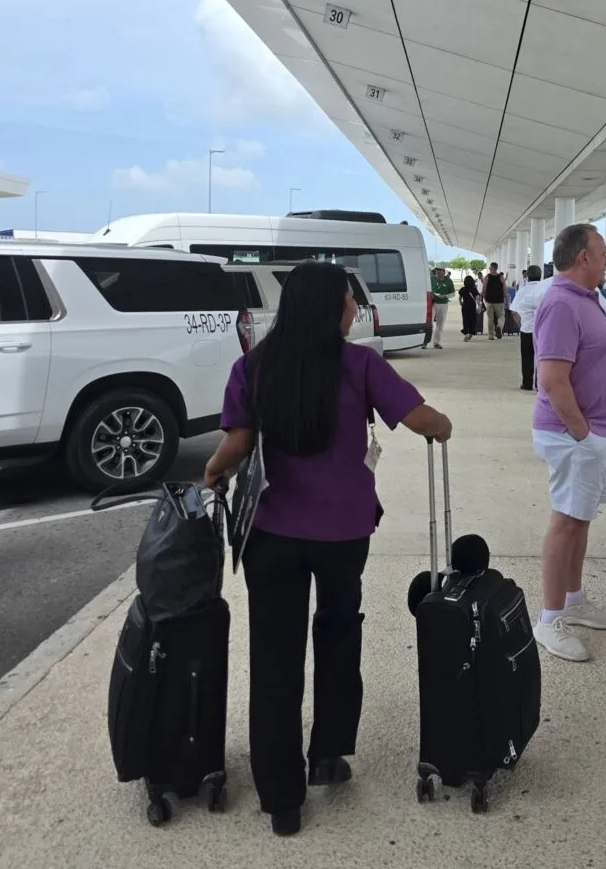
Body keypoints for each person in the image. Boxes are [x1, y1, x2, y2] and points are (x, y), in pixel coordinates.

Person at [203, 262, 452, 837]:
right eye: (348, 299)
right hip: (342, 536)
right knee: (339, 636)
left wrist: (211, 474)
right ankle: (328, 755)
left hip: (271, 536)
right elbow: (420, 419)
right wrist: (442, 425)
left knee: (274, 659)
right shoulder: (360, 363)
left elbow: (237, 443)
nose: (353, 308)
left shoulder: (254, 366)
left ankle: (281, 800)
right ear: (330, 307)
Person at [531, 224, 606, 662]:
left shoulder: (586, 299)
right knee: (566, 521)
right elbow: (553, 379)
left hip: (593, 435)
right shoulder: (560, 303)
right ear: (583, 257)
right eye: (603, 253)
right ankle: (549, 618)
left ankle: (572, 601)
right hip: (573, 435)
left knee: (580, 518)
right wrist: (584, 435)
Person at [511, 264, 552, 391]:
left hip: (527, 329)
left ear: (527, 276)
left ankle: (527, 383)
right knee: (542, 357)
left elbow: (514, 312)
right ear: (541, 275)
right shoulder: (546, 289)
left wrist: (521, 325)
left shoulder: (523, 290)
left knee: (527, 357)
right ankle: (539, 384)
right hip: (543, 330)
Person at [425, 266, 454, 350]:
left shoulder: (449, 281)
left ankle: (436, 343)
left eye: (440, 270)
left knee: (440, 324)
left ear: (444, 272)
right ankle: (425, 342)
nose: (438, 272)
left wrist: (445, 296)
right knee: (428, 323)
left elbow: (452, 294)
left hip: (443, 304)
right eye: (437, 270)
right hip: (432, 303)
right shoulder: (432, 279)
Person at [482, 262, 507, 339]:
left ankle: (491, 335)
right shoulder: (501, 277)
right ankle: (499, 326)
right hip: (499, 300)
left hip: (489, 300)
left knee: (490, 318)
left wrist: (485, 298)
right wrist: (506, 298)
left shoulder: (487, 277)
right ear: (496, 268)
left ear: (491, 268)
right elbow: (504, 289)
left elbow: (484, 289)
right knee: (501, 316)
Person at [459, 275, 480, 340]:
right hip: (472, 307)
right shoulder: (474, 289)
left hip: (465, 306)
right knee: (472, 320)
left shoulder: (463, 289)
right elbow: (477, 298)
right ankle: (471, 333)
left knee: (465, 320)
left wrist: (460, 302)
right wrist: (479, 306)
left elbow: (460, 297)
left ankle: (466, 333)